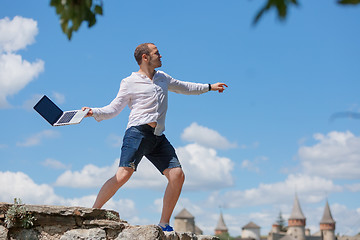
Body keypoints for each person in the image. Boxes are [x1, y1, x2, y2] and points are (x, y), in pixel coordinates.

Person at [82, 43, 227, 232]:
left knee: (177, 175)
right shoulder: (129, 82)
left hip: (158, 137)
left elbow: (185, 87)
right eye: (156, 53)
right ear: (145, 57)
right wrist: (94, 111)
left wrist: (209, 87)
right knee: (123, 174)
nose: (161, 55)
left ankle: (164, 223)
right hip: (137, 133)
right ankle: (93, 212)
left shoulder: (163, 78)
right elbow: (114, 108)